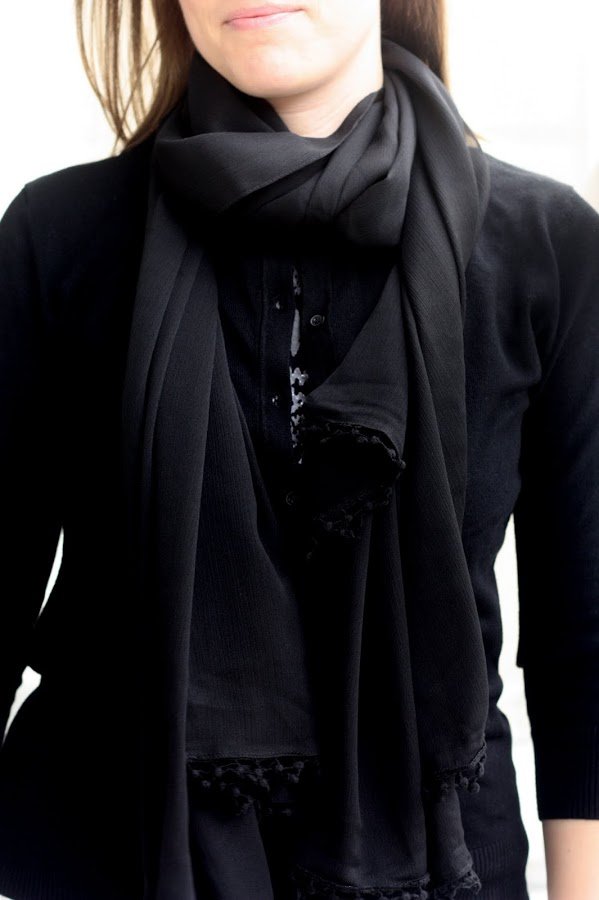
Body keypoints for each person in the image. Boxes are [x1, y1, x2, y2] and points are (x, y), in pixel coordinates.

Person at [0, 1, 598, 898]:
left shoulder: (544, 246)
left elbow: (581, 645)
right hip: (103, 856)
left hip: (441, 869)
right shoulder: (58, 234)